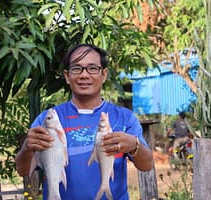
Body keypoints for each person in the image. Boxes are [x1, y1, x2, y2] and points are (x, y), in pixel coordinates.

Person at [15, 43, 154, 199]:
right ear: (67, 76)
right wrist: (27, 147)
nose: (84, 75)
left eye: (92, 68)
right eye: (77, 69)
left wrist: (134, 145)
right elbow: (23, 170)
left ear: (104, 74)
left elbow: (147, 165)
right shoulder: (47, 118)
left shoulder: (124, 117)